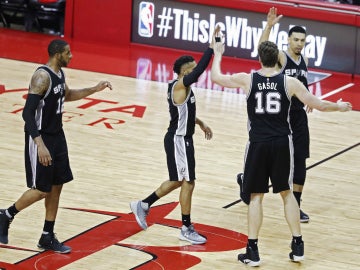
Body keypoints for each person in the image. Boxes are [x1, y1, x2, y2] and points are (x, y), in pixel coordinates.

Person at [211, 39, 352, 266]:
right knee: (287, 194)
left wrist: (217, 53)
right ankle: (298, 245)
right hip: (282, 143)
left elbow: (216, 77)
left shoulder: (248, 79)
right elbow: (318, 105)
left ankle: (253, 251)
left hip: (257, 143)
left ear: (259, 58)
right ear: (277, 59)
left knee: (256, 196)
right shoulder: (290, 82)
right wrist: (339, 106)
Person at [0, 39, 112, 253]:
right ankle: (6, 214)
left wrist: (94, 89)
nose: (71, 56)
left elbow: (67, 95)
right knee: (41, 189)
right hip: (40, 138)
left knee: (57, 185)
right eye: (68, 53)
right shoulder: (42, 76)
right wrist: (40, 145)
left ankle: (47, 235)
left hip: (57, 136)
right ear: (57, 54)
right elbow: (27, 114)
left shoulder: (60, 74)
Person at [129, 27, 219, 245]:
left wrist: (200, 123)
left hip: (180, 138)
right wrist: (211, 48)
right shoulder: (180, 85)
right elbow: (199, 73)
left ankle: (143, 204)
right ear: (183, 72)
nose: (195, 70)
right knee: (188, 182)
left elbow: (184, 113)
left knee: (178, 181)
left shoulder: (183, 88)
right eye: (191, 68)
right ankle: (186, 227)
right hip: (179, 140)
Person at [257, 7, 311, 222]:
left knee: (300, 160)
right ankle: (246, 180)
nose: (299, 43)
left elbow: (303, 85)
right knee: (272, 160)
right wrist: (269, 26)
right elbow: (262, 48)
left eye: (302, 40)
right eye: (296, 39)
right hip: (280, 118)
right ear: (288, 40)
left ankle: (296, 205)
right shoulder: (281, 56)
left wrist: (309, 99)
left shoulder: (304, 60)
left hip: (299, 118)